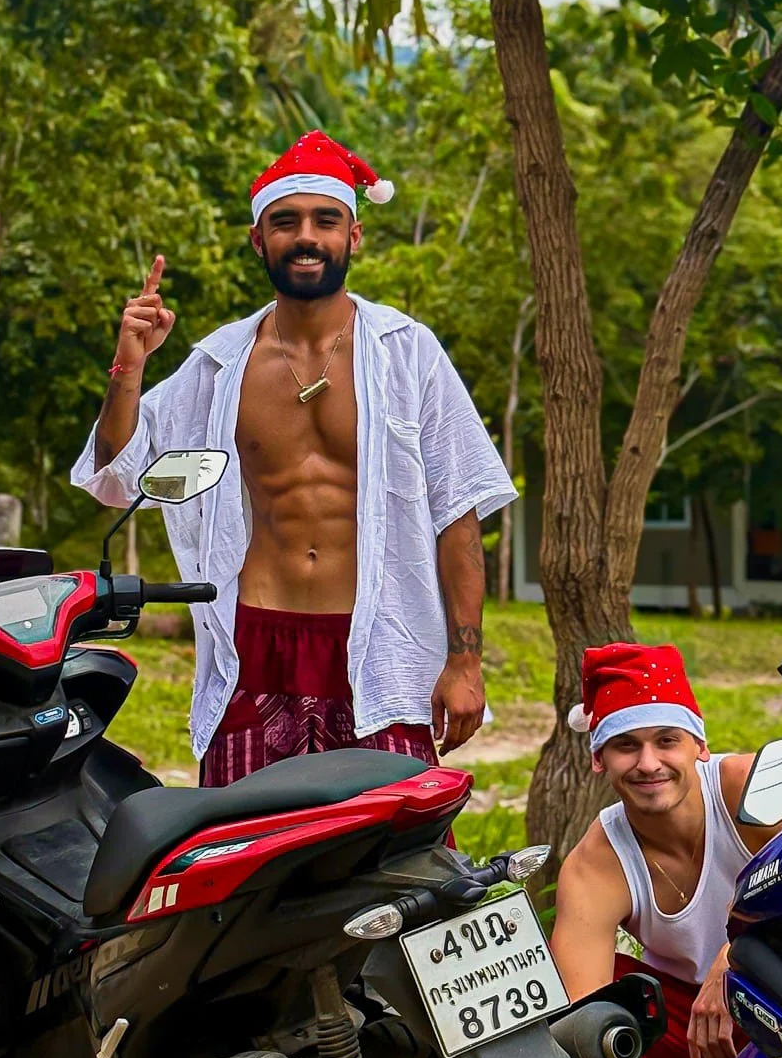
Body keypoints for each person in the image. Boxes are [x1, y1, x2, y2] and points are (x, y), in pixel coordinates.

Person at [70, 129, 515, 781]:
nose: (306, 236)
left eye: (325, 220)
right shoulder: (221, 364)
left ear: (353, 236)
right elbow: (117, 470)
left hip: (380, 650)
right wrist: (129, 368)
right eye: (285, 221)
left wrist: (465, 660)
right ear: (260, 240)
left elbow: (458, 515)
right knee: (246, 862)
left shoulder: (408, 352)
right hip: (255, 649)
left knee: (390, 866)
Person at [549, 642, 763, 1058]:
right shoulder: (596, 864)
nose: (648, 764)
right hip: (707, 1051)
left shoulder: (749, 791)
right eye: (625, 745)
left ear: (699, 745)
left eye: (666, 740)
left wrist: (735, 955)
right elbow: (582, 1036)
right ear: (599, 758)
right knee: (590, 998)